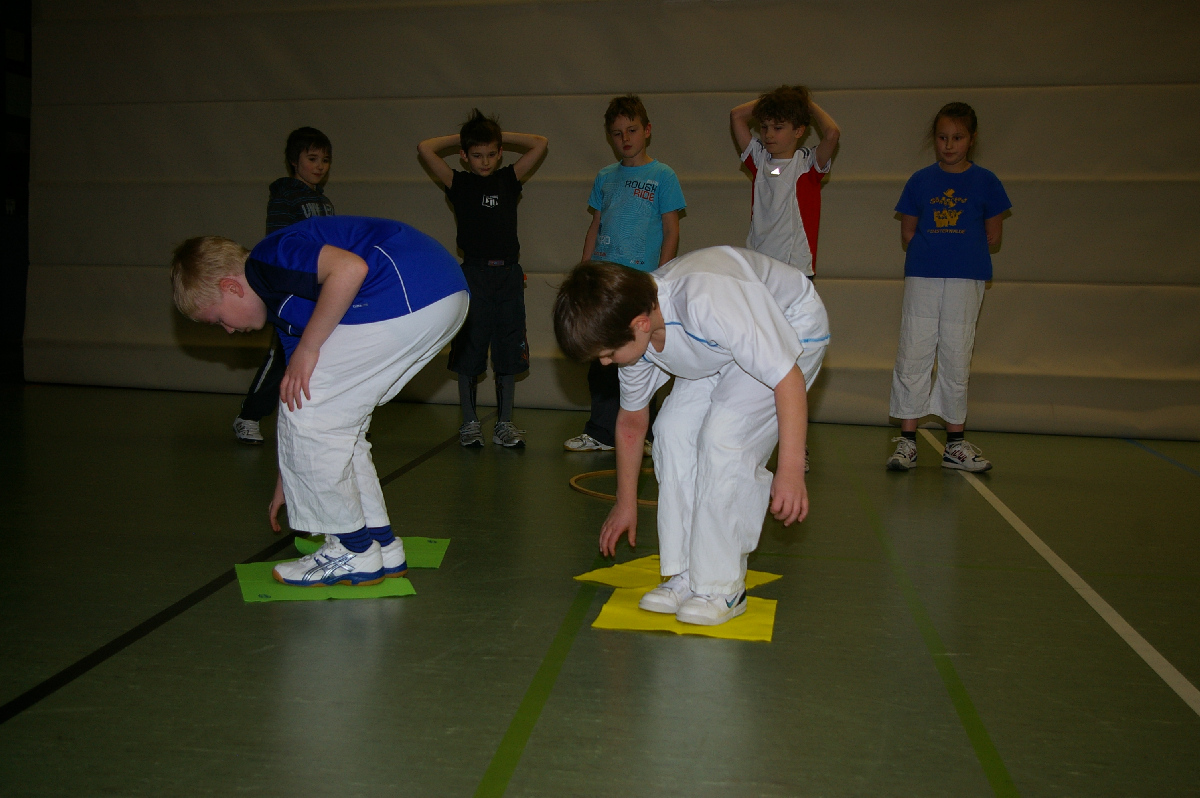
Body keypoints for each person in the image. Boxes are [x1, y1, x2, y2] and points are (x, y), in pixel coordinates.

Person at [172, 216, 469, 586]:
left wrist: (310, 347)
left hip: (404, 288)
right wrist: (290, 473)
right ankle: (380, 544)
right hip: (441, 295)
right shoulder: (285, 311)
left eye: (218, 320)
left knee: (316, 417)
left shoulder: (267, 259)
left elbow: (349, 268)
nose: (229, 331)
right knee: (332, 420)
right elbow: (298, 401)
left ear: (231, 287)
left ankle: (352, 552)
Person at [553, 246, 830, 625]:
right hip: (721, 344)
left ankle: (722, 586)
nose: (604, 362)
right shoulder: (632, 330)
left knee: (724, 438)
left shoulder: (705, 302)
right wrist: (625, 502)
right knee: (672, 430)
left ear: (641, 324)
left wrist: (791, 469)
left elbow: (787, 378)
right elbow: (632, 423)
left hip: (790, 323)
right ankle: (688, 572)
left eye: (608, 353)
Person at [885, 102, 1011, 473]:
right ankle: (907, 442)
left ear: (971, 139)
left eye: (957, 138)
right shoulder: (920, 181)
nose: (949, 145)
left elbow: (992, 235)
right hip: (923, 276)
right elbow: (908, 231)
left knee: (957, 353)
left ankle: (955, 444)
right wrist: (936, 250)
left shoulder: (987, 181)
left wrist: (959, 251)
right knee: (914, 350)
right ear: (934, 139)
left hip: (966, 278)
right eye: (942, 138)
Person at [417, 110, 548, 448]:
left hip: (508, 275)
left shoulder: (508, 178)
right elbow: (425, 148)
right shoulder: (459, 183)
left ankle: (504, 423)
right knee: (469, 347)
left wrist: (496, 135)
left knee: (509, 346)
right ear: (464, 155)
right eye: (476, 155)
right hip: (474, 273)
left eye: (491, 153)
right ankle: (470, 422)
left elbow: (539, 143)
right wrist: (464, 137)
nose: (485, 161)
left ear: (500, 152)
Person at [563, 95, 686, 453]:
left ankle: (645, 433)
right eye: (617, 134)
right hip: (605, 281)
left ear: (647, 131)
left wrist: (661, 277)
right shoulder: (605, 177)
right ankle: (600, 431)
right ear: (610, 137)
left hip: (639, 282)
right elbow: (595, 226)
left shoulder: (663, 176)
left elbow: (671, 230)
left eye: (632, 130)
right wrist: (585, 270)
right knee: (602, 356)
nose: (625, 139)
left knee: (642, 356)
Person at [234, 127, 337, 445]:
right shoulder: (284, 197)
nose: (319, 166)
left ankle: (328, 421)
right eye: (312, 159)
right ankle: (249, 416)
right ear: (294, 161)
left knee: (325, 351)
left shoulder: (324, 202)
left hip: (319, 288)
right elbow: (278, 242)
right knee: (281, 355)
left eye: (325, 160)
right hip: (293, 288)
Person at [729, 85, 840, 278]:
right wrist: (774, 101)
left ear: (799, 131)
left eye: (778, 128)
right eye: (764, 127)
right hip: (759, 264)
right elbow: (736, 115)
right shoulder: (759, 159)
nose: (768, 134)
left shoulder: (806, 164)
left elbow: (832, 133)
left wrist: (804, 104)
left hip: (794, 267)